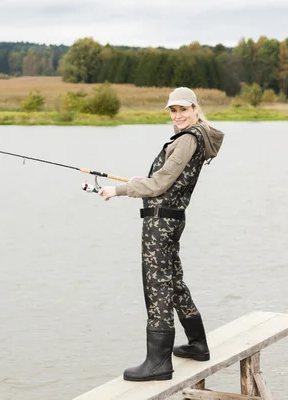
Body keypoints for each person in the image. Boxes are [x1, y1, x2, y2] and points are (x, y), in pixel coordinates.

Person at [98, 87, 224, 382]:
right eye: (173, 110)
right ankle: (198, 343)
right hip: (172, 218)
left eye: (183, 110)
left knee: (157, 285)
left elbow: (159, 186)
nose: (178, 115)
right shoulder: (194, 138)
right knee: (174, 281)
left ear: (195, 109)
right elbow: (163, 181)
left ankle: (158, 363)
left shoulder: (186, 140)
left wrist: (117, 190)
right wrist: (143, 181)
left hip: (161, 223)